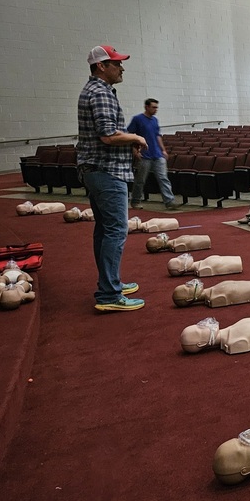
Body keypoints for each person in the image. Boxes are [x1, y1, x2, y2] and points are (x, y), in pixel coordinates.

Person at [76, 44, 148, 312]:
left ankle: (110, 282)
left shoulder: (95, 90)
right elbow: (107, 135)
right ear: (101, 66)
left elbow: (107, 134)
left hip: (97, 170)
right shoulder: (101, 93)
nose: (121, 68)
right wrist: (137, 137)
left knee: (105, 230)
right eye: (116, 63)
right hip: (107, 172)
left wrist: (128, 144)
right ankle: (109, 294)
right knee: (116, 230)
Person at [127, 98, 179, 210]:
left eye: (156, 107)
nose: (156, 109)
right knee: (140, 180)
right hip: (144, 155)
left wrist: (163, 150)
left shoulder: (155, 120)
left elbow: (157, 136)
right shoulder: (137, 119)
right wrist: (135, 151)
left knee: (163, 178)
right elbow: (131, 135)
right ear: (146, 107)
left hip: (157, 155)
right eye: (153, 107)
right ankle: (135, 201)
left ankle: (169, 202)